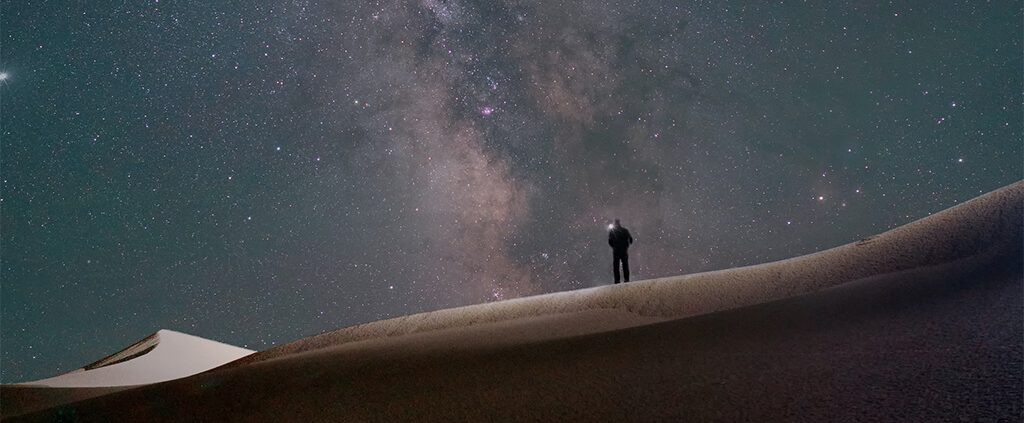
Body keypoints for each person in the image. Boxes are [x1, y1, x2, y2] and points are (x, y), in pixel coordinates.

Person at [608, 219, 633, 284]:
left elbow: (610, 241)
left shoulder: (612, 232)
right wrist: (626, 246)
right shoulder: (625, 230)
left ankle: (617, 280)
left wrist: (614, 246)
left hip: (616, 250)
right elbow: (630, 240)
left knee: (616, 266)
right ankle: (626, 279)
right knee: (625, 265)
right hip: (624, 250)